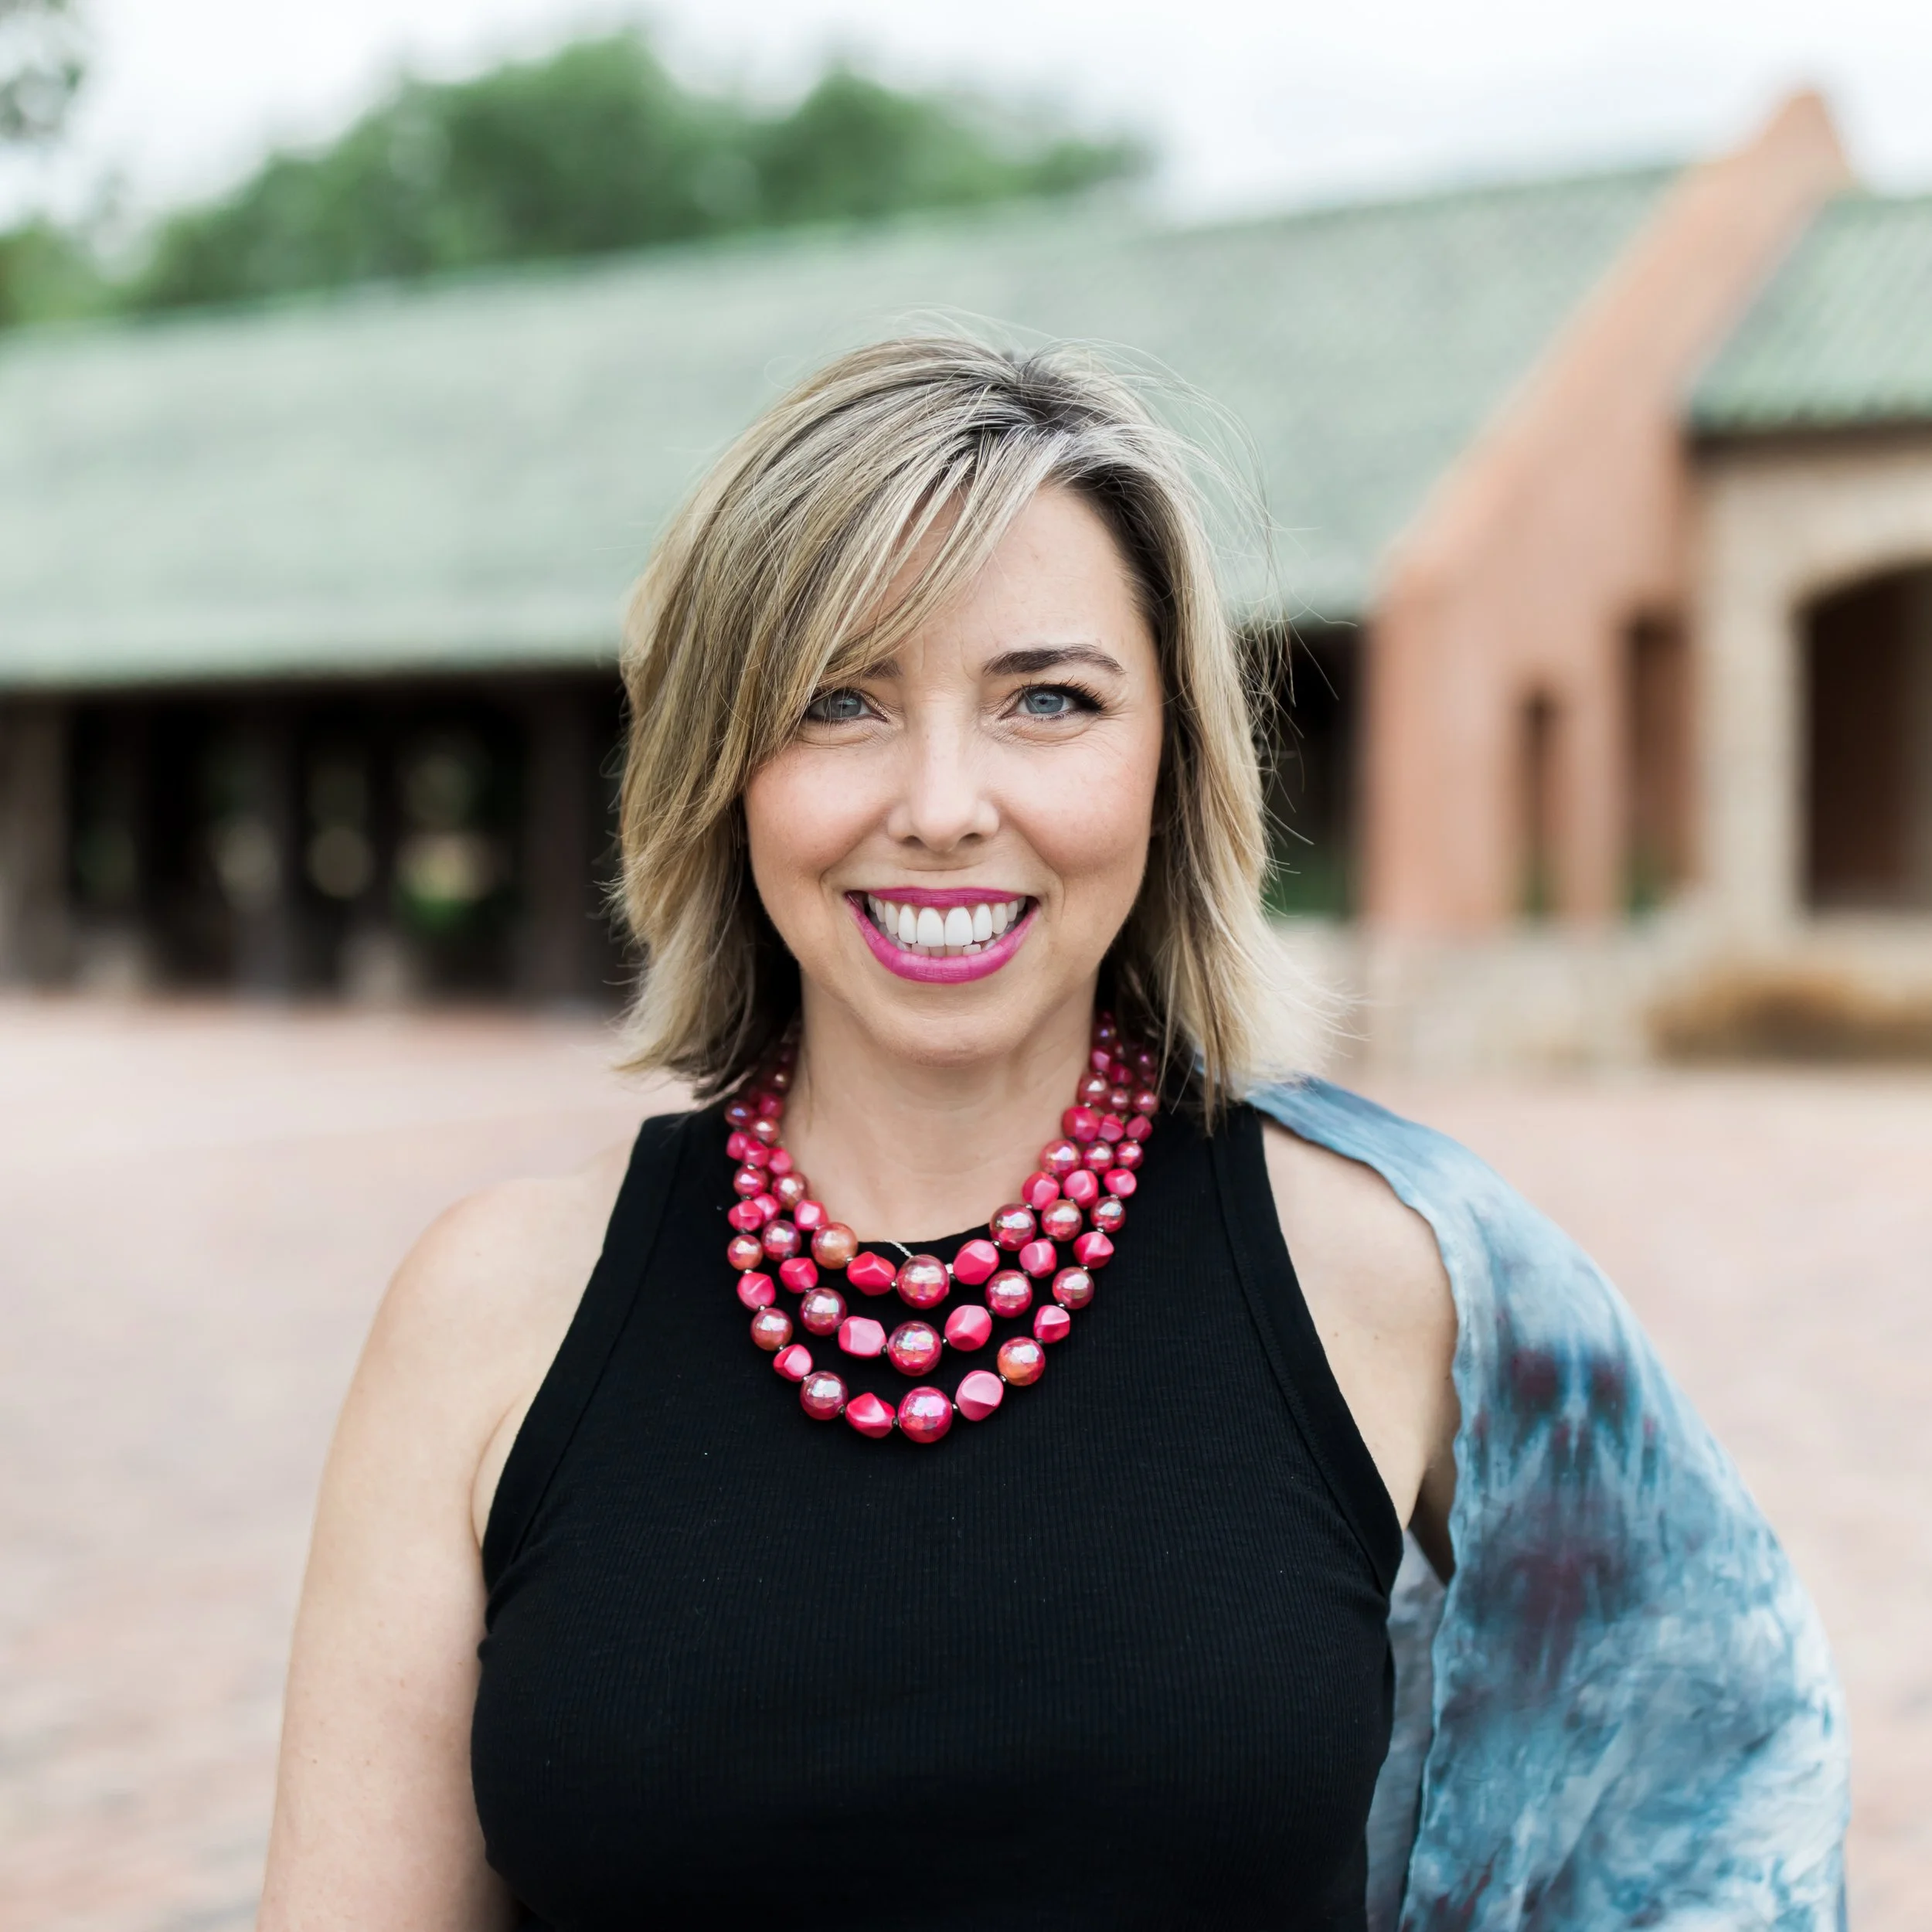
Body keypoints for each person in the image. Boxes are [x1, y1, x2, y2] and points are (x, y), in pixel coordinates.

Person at [259, 338, 1846, 1930]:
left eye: (1046, 699)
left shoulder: (1394, 1280)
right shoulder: (487, 1316)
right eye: (838, 700)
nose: (943, 800)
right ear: (720, 770)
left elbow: (1714, 1794)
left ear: (1170, 763)